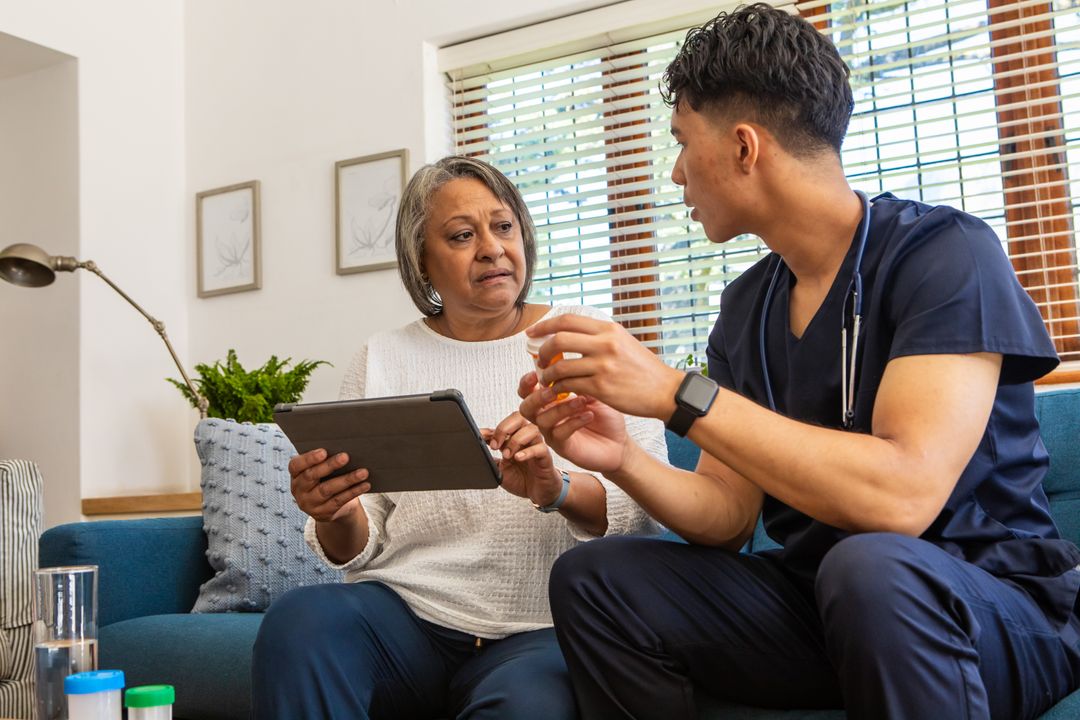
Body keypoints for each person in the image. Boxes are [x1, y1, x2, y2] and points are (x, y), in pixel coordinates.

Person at [517, 5, 1080, 719]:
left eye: (684, 143)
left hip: (987, 607)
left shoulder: (946, 255)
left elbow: (902, 499)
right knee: (594, 577)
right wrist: (620, 458)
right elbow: (725, 515)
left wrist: (672, 392)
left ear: (745, 148)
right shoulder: (746, 306)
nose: (675, 173)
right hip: (822, 606)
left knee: (871, 565)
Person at [250, 155, 665, 720]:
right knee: (301, 620)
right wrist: (334, 511)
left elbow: (646, 510)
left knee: (526, 707)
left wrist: (555, 486)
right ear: (422, 261)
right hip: (405, 619)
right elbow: (355, 543)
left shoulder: (590, 338)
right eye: (463, 235)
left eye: (504, 227)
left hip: (539, 628)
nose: (492, 248)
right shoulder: (382, 357)